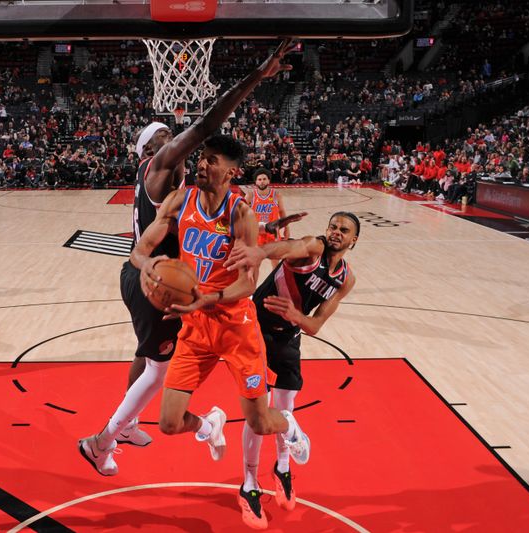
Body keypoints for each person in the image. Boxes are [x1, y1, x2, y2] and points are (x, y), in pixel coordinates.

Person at [78, 39, 299, 476]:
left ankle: (124, 431)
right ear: (151, 152)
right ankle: (102, 441)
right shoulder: (162, 173)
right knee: (158, 374)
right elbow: (203, 128)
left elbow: (228, 242)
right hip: (155, 278)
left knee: (147, 359)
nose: (176, 143)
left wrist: (267, 231)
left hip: (155, 277)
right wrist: (256, 76)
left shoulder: (202, 198)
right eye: (166, 140)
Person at [133, 134, 311, 528]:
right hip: (195, 329)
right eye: (201, 158)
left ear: (233, 172)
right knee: (169, 424)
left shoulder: (240, 214)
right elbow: (140, 247)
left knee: (261, 421)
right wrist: (144, 265)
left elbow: (248, 284)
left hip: (235, 328)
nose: (201, 165)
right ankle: (210, 424)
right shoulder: (181, 201)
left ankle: (291, 425)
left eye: (211, 161)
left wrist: (207, 298)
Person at [225, 212, 359, 527]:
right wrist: (260, 251)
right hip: (256, 328)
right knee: (260, 412)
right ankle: (248, 484)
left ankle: (282, 468)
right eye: (333, 226)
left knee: (287, 409)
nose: (336, 232)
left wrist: (295, 316)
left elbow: (314, 324)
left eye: (344, 230)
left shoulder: (346, 278)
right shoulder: (314, 247)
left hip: (289, 335)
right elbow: (288, 246)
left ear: (354, 240)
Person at [242, 168, 290, 254]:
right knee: (254, 262)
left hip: (272, 232)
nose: (262, 181)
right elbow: (242, 214)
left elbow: (282, 211)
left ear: (268, 181)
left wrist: (287, 228)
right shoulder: (250, 195)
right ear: (256, 182)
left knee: (275, 260)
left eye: (264, 179)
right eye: (259, 179)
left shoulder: (276, 195)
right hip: (255, 233)